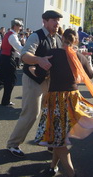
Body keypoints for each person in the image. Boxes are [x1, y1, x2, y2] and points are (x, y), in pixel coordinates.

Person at [34, 28, 93, 177]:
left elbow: (40, 73)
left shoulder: (53, 53)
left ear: (62, 38)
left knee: (58, 139)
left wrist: (33, 69)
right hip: (73, 98)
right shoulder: (79, 56)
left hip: (56, 100)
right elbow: (90, 74)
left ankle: (71, 173)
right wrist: (82, 62)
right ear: (76, 40)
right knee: (59, 137)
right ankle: (52, 166)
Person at [6, 10, 63, 157]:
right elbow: (25, 55)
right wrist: (38, 59)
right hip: (34, 79)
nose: (57, 23)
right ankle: (13, 144)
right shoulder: (36, 35)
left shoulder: (57, 38)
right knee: (31, 113)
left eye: (58, 20)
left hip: (50, 81)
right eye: (53, 20)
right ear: (44, 21)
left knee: (52, 113)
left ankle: (51, 142)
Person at [0, 19, 23, 106]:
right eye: (20, 26)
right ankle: (5, 101)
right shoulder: (13, 36)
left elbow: (14, 50)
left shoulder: (8, 34)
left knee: (2, 79)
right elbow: (19, 48)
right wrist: (27, 53)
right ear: (15, 26)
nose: (21, 28)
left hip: (3, 58)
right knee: (11, 80)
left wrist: (21, 55)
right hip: (8, 59)